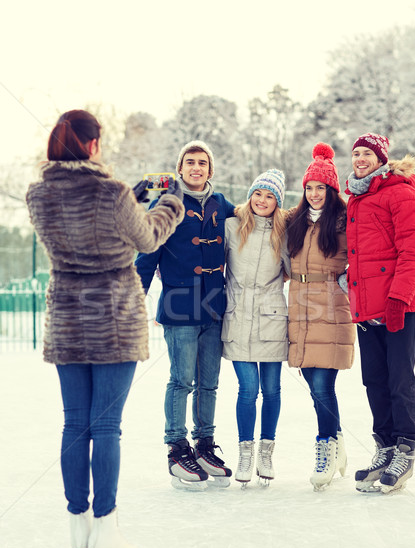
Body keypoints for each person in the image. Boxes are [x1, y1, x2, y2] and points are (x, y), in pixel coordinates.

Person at [25, 110, 184, 548]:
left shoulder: (38, 195)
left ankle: (79, 529)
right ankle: (106, 527)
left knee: (75, 425)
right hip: (113, 318)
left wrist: (130, 200)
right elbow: (149, 237)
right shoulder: (110, 192)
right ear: (94, 145)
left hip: (69, 318)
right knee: (107, 426)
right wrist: (169, 202)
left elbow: (79, 236)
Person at [135, 140, 235, 489]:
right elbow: (147, 255)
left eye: (202, 162)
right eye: (190, 162)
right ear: (180, 169)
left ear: (211, 170)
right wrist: (134, 300)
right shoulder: (168, 204)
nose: (196, 167)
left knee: (209, 382)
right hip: (179, 307)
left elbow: (258, 220)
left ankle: (204, 445)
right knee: (182, 380)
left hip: (214, 306)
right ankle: (177, 448)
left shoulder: (223, 205)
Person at [346, 133, 415, 494]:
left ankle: (406, 449)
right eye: (356, 154)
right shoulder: (356, 198)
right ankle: (385, 446)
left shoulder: (402, 193)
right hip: (367, 307)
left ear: (381, 158)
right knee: (374, 380)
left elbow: (414, 253)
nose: (360, 159)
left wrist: (398, 299)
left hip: (400, 305)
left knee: (399, 380)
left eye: (367, 153)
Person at [286, 143, 355, 491]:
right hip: (301, 310)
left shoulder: (344, 221)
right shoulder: (294, 222)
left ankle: (325, 447)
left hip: (330, 307)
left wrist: (349, 280)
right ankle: (338, 441)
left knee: (322, 385)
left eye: (321, 188)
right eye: (309, 188)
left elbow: (361, 254)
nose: (314, 194)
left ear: (331, 190)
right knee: (311, 382)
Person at [222, 170, 290, 487]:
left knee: (272, 390)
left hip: (271, 320)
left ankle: (266, 450)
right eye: (258, 194)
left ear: (278, 202)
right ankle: (245, 452)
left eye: (270, 196)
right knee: (248, 390)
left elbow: (292, 271)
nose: (262, 201)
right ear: (250, 195)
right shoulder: (232, 227)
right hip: (236, 318)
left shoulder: (284, 233)